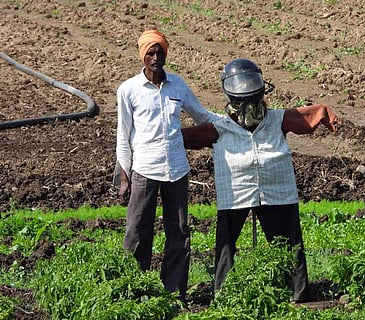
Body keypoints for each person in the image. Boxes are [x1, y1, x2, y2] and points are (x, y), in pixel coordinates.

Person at [182, 58, 341, 302]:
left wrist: (323, 112)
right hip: (236, 192)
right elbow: (187, 137)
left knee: (288, 243)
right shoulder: (220, 127)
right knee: (226, 245)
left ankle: (297, 294)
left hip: (277, 189)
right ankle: (224, 295)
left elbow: (305, 116)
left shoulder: (277, 119)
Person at [114, 26, 221, 300]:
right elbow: (123, 136)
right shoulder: (129, 90)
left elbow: (201, 115)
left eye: (160, 51)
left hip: (176, 170)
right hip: (145, 171)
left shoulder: (178, 85)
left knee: (179, 233)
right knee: (137, 231)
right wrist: (123, 174)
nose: (156, 56)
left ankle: (173, 292)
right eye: (151, 52)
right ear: (143, 56)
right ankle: (134, 290)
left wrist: (230, 121)